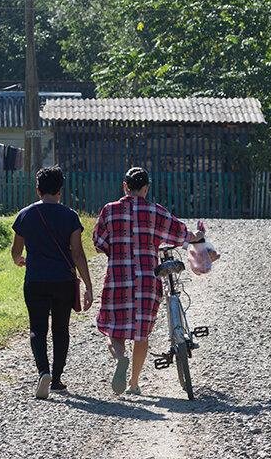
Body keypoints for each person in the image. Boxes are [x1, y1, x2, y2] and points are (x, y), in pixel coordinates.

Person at [92, 167, 198, 395]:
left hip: (117, 278)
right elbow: (179, 233)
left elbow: (99, 241)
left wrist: (117, 250)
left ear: (124, 186)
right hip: (147, 281)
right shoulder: (154, 211)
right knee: (141, 333)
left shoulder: (109, 211)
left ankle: (121, 358)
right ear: (146, 188)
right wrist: (196, 237)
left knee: (114, 329)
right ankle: (134, 383)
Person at [11, 166, 94, 399]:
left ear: (38, 189)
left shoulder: (25, 215)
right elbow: (78, 254)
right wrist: (88, 285)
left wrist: (20, 260)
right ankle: (56, 379)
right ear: (60, 190)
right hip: (63, 281)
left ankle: (43, 372)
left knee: (37, 329)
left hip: (35, 280)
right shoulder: (70, 216)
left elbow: (16, 251)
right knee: (61, 329)